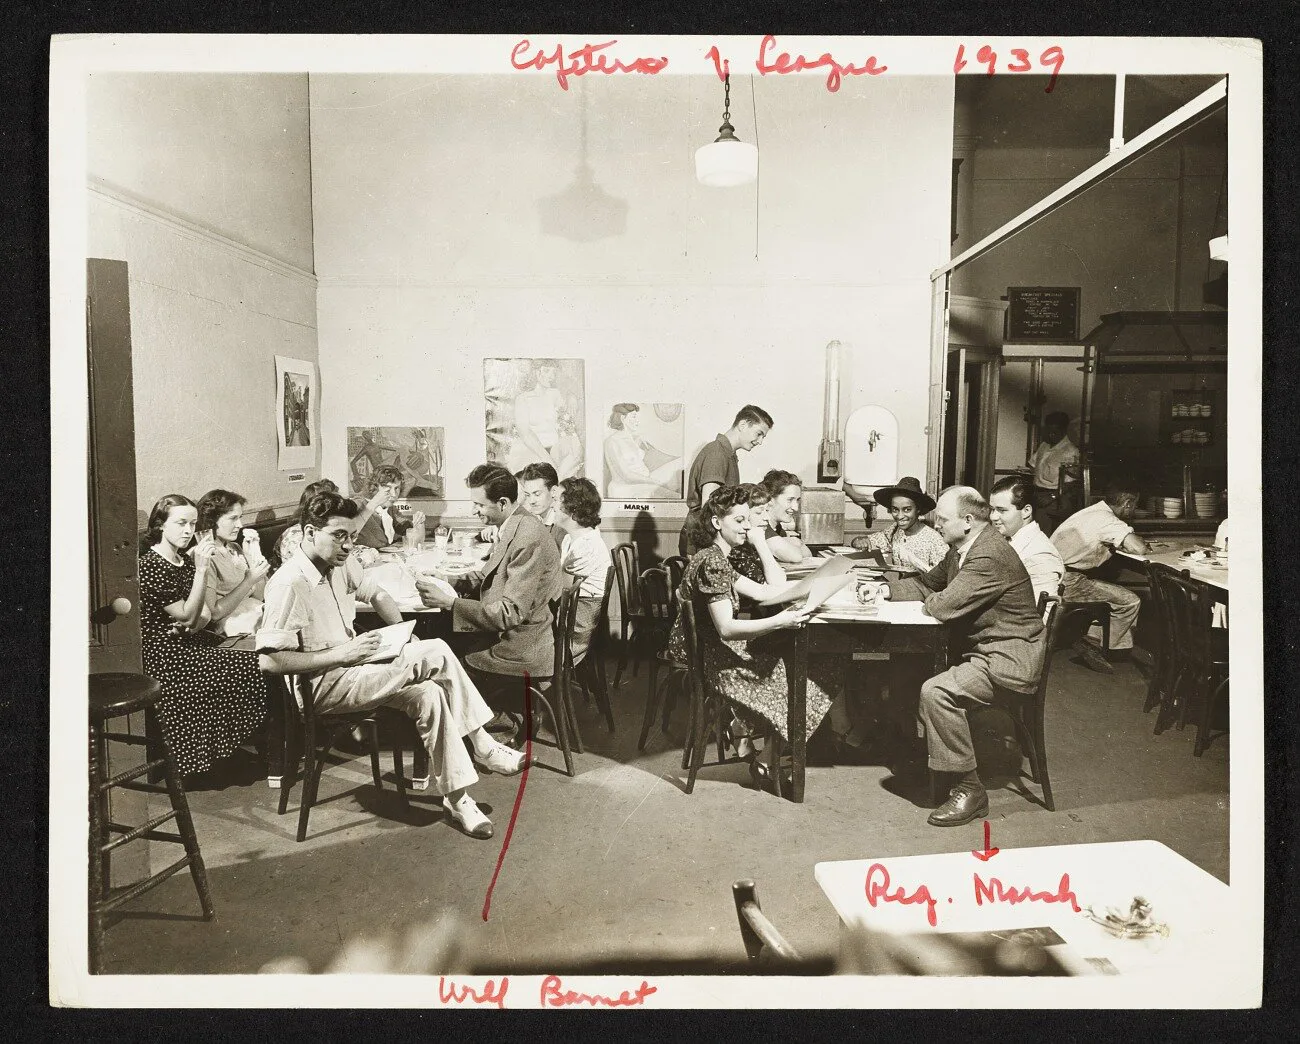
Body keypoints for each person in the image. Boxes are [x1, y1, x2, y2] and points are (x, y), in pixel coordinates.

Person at [256, 491, 524, 840]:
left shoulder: (339, 563)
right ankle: (483, 744)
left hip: (357, 669)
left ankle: (457, 799)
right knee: (439, 651)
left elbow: (376, 593)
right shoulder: (290, 583)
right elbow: (270, 660)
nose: (348, 545)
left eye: (352, 536)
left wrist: (401, 634)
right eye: (339, 535)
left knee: (429, 692)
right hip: (323, 685)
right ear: (309, 533)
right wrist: (343, 654)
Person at [877, 486, 1045, 827]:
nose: (934, 523)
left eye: (942, 518)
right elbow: (928, 585)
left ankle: (968, 788)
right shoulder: (962, 548)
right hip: (982, 649)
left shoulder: (988, 556)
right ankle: (935, 763)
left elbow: (943, 604)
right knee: (911, 673)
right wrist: (883, 589)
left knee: (935, 691)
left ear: (967, 521)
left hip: (1007, 657)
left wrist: (936, 598)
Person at [666, 485, 844, 790]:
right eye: (739, 521)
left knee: (804, 667)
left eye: (748, 520)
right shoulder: (713, 562)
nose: (747, 527)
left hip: (718, 653)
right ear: (716, 523)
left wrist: (812, 590)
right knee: (814, 675)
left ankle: (764, 754)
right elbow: (726, 628)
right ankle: (766, 760)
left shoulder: (716, 556)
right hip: (719, 663)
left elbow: (762, 591)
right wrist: (781, 620)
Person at [415, 465, 563, 729]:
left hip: (519, 647)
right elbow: (488, 577)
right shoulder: (514, 524)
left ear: (503, 503)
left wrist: (450, 602)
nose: (474, 511)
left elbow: (510, 613)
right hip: (517, 634)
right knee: (438, 639)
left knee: (438, 658)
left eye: (479, 505)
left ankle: (459, 738)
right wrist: (447, 580)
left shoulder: (527, 536)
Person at [139, 494, 269, 780]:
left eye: (193, 524)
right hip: (164, 653)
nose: (188, 531)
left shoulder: (182, 560)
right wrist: (200, 570)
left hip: (187, 640)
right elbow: (187, 615)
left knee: (250, 662)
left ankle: (222, 751)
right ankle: (206, 758)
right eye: (181, 523)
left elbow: (200, 616)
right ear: (160, 525)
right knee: (246, 666)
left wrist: (193, 623)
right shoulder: (151, 564)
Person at [1051, 489, 1146, 673]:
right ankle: (1098, 645)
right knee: (1130, 601)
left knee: (1111, 590)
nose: (1133, 510)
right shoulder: (1108, 520)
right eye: (1134, 506)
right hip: (1067, 581)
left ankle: (1095, 641)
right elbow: (1139, 548)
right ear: (1127, 504)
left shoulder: (1093, 511)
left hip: (1054, 573)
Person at [679, 405, 773, 555]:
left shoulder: (728, 454)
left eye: (763, 437)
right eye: (759, 434)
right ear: (742, 425)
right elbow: (709, 508)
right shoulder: (717, 453)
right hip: (703, 542)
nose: (760, 441)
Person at [553, 476, 613, 670]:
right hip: (571, 617)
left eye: (556, 501)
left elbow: (556, 592)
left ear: (573, 510)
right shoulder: (574, 539)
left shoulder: (585, 547)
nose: (552, 506)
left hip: (575, 630)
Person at [195, 488, 270, 636]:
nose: (240, 525)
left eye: (240, 517)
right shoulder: (204, 555)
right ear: (212, 520)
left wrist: (252, 557)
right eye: (233, 518)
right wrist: (249, 581)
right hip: (230, 626)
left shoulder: (235, 548)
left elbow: (258, 597)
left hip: (253, 613)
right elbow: (214, 613)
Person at [988, 475, 1065, 606]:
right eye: (992, 509)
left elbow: (1041, 615)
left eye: (1002, 510)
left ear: (1026, 511)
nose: (993, 517)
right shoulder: (1008, 539)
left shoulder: (1039, 555)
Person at [850, 477, 949, 572]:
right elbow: (867, 540)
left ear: (918, 509)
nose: (900, 516)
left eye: (907, 510)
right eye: (895, 509)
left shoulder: (935, 541)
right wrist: (858, 541)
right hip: (901, 586)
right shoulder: (895, 530)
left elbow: (943, 580)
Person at [506, 361, 583, 478]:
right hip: (531, 450)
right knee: (542, 474)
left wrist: (571, 396)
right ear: (536, 373)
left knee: (574, 447)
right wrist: (549, 461)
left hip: (554, 449)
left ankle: (559, 479)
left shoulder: (555, 394)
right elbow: (525, 434)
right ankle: (558, 478)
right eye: (547, 371)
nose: (551, 376)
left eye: (554, 372)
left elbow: (566, 423)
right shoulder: (523, 399)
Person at [603, 403, 683, 500]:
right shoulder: (612, 441)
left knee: (680, 464)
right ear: (623, 419)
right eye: (633, 417)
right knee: (676, 497)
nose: (637, 421)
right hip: (627, 488)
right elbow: (626, 476)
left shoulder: (634, 438)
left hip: (643, 482)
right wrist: (655, 482)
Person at [1026, 411, 1080, 536]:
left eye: (1054, 432)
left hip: (1056, 497)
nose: (1050, 435)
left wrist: (1052, 497)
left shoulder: (1071, 451)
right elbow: (1033, 466)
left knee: (1042, 532)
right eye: (1048, 431)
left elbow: (1072, 484)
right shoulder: (1044, 446)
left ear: (1063, 430)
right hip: (1038, 494)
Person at [353, 464, 426, 550]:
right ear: (374, 487)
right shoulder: (357, 504)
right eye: (388, 488)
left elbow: (417, 541)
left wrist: (419, 522)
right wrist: (374, 503)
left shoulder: (391, 510)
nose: (394, 494)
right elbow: (348, 533)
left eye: (396, 488)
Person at [760, 470, 813, 563]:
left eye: (797, 500)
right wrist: (795, 542)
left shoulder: (778, 529)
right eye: (790, 500)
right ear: (770, 499)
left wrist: (790, 541)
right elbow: (796, 556)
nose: (796, 508)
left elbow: (808, 555)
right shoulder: (761, 526)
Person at [515, 462, 566, 550]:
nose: (531, 501)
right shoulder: (536, 520)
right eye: (528, 495)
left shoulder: (562, 527)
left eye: (537, 494)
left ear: (553, 491)